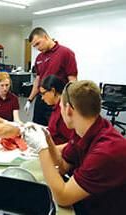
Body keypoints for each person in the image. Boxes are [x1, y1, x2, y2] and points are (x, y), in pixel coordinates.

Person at [24, 80, 126, 215]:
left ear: (69, 110)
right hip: (86, 201)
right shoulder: (84, 130)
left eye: (60, 107)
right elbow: (63, 166)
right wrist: (47, 140)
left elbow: (63, 197)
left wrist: (42, 149)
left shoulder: (106, 151)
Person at [24, 27, 78, 126]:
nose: (37, 48)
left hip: (57, 101)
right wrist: (29, 100)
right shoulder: (39, 58)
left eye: (38, 43)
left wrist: (69, 103)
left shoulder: (66, 53)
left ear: (45, 37)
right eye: (34, 46)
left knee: (55, 131)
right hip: (41, 99)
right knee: (38, 128)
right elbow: (38, 80)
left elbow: (73, 81)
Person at [40, 75, 73, 145]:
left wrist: (52, 151)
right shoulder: (56, 107)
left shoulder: (63, 110)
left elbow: (73, 142)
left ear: (53, 91)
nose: (42, 98)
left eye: (43, 94)